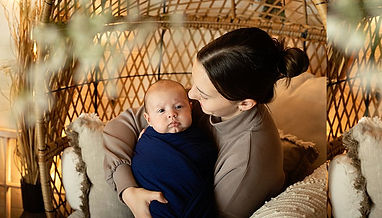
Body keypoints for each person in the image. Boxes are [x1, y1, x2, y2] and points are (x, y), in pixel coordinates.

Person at [104, 27, 310, 218]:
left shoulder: (244, 168)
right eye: (194, 83)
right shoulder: (216, 100)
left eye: (202, 93)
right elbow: (121, 125)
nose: (190, 94)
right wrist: (128, 191)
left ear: (245, 103)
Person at [131, 79, 218, 217]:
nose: (172, 114)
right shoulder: (146, 140)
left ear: (190, 107)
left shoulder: (199, 138)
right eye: (161, 110)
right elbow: (141, 166)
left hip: (193, 207)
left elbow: (208, 160)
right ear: (149, 120)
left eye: (178, 107)